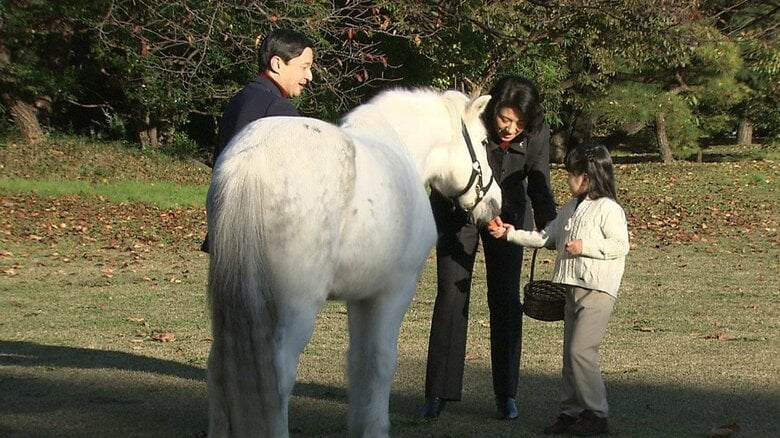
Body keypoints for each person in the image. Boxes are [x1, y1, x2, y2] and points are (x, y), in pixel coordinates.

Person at [422, 75, 557, 421]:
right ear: (493, 108)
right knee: (451, 296)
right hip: (459, 210)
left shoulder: (538, 134)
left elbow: (539, 183)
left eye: (519, 123)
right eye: (504, 119)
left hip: (508, 215)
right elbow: (448, 173)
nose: (510, 128)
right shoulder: (471, 120)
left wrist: (552, 227)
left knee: (505, 300)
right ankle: (438, 392)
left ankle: (506, 394)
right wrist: (478, 213)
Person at [489, 144, 629, 436]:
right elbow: (544, 237)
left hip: (597, 291)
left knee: (582, 352)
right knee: (569, 355)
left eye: (572, 174)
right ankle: (571, 412)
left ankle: (597, 414)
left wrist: (585, 248)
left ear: (587, 178)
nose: (568, 179)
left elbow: (620, 245)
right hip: (571, 290)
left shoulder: (609, 209)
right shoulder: (569, 210)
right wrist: (510, 233)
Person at [202, 28, 314, 252]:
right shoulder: (278, 108)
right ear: (277, 64)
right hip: (261, 238)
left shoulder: (240, 99)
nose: (309, 77)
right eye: (304, 67)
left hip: (224, 225)